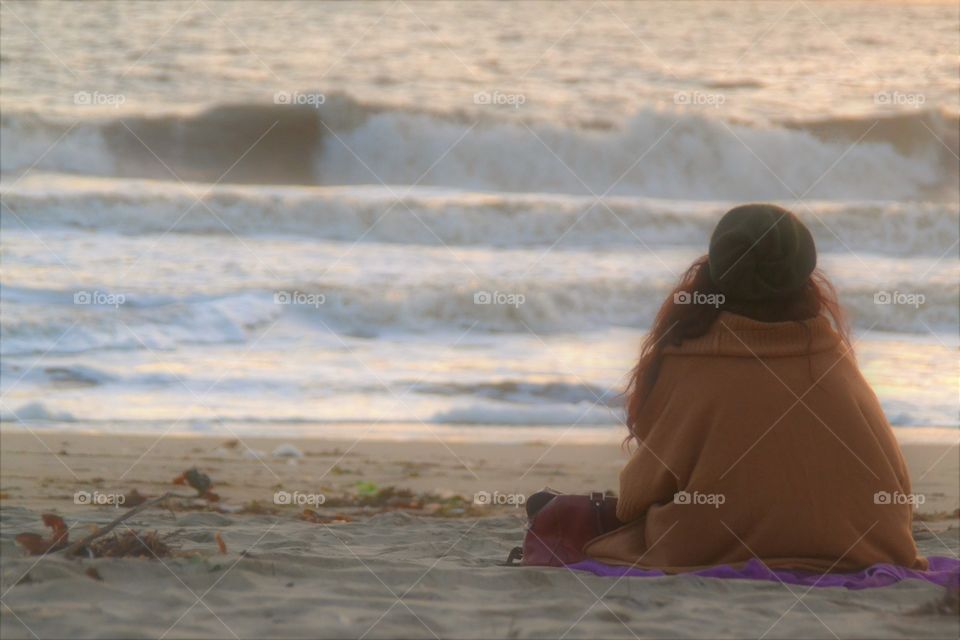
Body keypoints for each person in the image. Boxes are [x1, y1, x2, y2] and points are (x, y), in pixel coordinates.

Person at [585, 204, 927, 573]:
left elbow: (634, 498)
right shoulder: (833, 357)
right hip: (872, 546)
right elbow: (899, 484)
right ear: (805, 275)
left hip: (712, 548)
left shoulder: (690, 360)